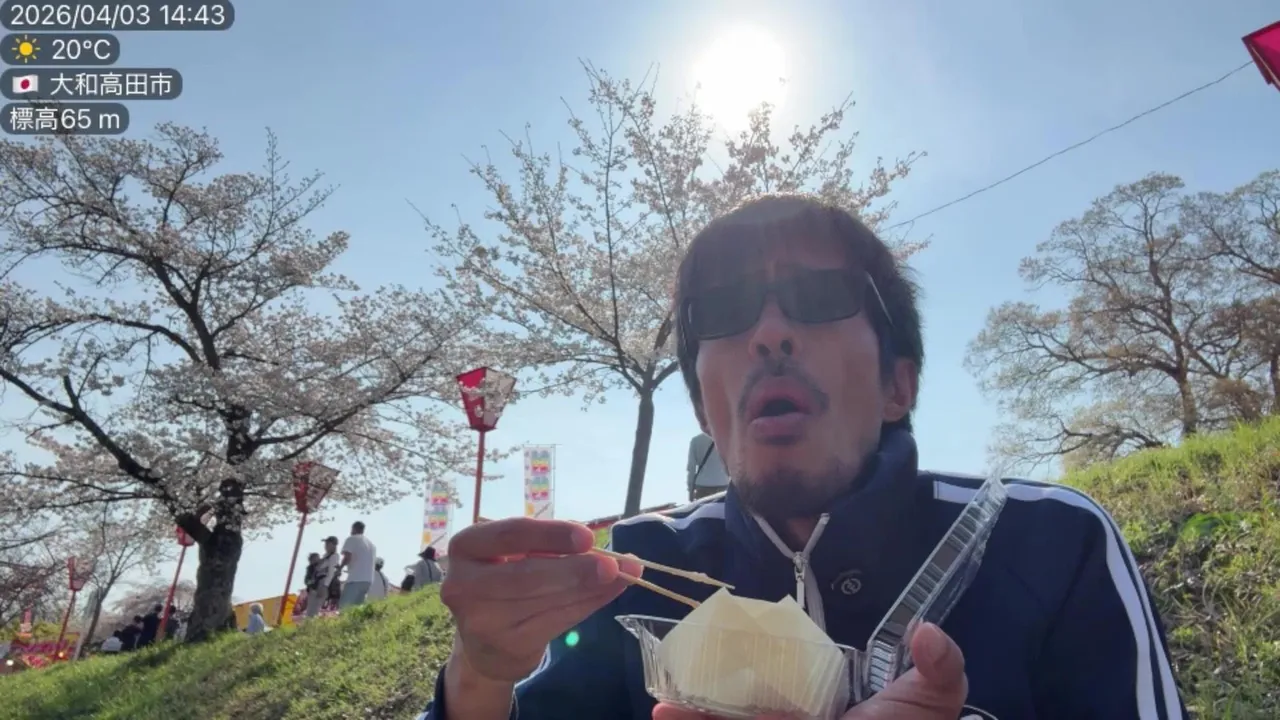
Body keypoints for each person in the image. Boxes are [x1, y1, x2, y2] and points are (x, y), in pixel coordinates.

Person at [423, 195, 1186, 720]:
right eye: (724, 312)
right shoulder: (634, 573)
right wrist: (479, 677)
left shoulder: (1050, 544)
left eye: (819, 297)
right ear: (704, 410)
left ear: (897, 383)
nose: (769, 334)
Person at [340, 520, 377, 608]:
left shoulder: (352, 539)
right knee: (356, 608)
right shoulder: (371, 545)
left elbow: (347, 557)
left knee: (345, 607)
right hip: (368, 580)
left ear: (354, 528)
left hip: (355, 579)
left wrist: (339, 568)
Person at [686, 431, 729, 501]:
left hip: (703, 486)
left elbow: (691, 468)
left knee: (704, 508)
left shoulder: (695, 440)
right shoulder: (726, 439)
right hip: (723, 483)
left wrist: (690, 491)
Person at [307, 536, 340, 618]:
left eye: (328, 543)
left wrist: (325, 585)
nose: (326, 545)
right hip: (316, 583)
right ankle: (309, 621)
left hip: (323, 582)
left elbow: (331, 572)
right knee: (310, 608)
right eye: (326, 543)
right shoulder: (326, 555)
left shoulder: (334, 556)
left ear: (333, 545)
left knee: (315, 607)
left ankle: (311, 622)